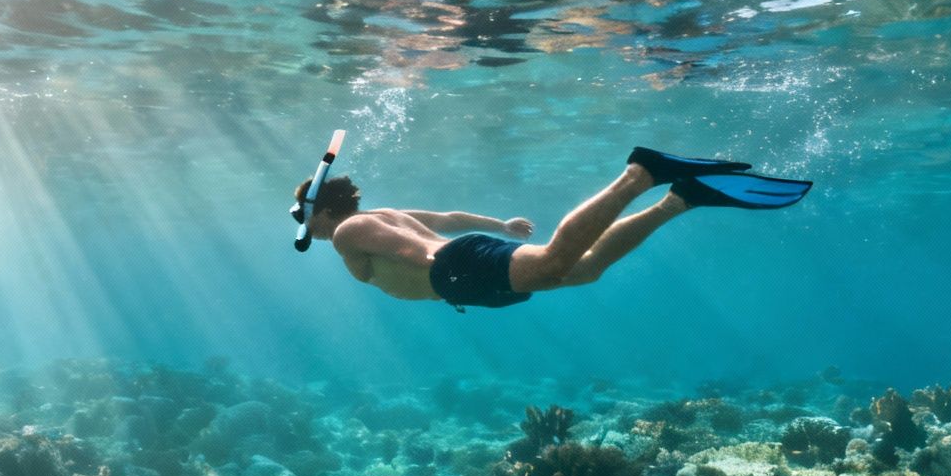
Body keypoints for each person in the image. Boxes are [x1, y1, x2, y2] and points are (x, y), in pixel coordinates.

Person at [293, 147, 810, 310]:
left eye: (302, 216)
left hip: (453, 271)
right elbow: (447, 219)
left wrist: (437, 265)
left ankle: (641, 174)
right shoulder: (381, 212)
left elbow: (411, 250)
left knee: (555, 264)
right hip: (459, 268)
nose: (303, 226)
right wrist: (499, 225)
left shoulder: (347, 232)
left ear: (321, 210)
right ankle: (681, 199)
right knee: (582, 271)